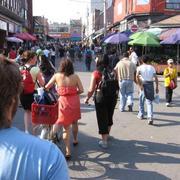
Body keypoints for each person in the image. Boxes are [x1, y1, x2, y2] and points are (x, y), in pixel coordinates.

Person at [0, 58, 69, 180]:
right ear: (12, 101)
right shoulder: (48, 156)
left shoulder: (24, 68)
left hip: (28, 96)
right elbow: (43, 85)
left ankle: (29, 130)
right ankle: (30, 131)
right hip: (34, 95)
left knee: (29, 112)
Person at [45, 58, 84, 159]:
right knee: (74, 122)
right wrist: (74, 93)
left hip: (63, 102)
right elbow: (81, 90)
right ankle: (75, 140)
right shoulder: (75, 76)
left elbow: (47, 87)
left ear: (61, 66)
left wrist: (57, 91)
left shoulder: (57, 76)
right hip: (74, 101)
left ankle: (68, 151)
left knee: (66, 127)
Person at [84, 55, 118, 149]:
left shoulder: (96, 73)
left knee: (102, 118)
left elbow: (91, 89)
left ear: (99, 61)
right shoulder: (114, 71)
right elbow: (117, 84)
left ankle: (104, 141)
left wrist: (87, 98)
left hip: (101, 98)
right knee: (109, 115)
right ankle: (107, 135)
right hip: (112, 97)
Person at [20, 51, 45, 134]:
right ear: (31, 59)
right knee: (35, 112)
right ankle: (34, 132)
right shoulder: (35, 69)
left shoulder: (20, 68)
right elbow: (42, 84)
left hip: (23, 94)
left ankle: (27, 130)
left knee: (27, 111)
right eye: (35, 58)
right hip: (33, 94)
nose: (36, 60)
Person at [136, 55, 159, 125]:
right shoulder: (152, 68)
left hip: (143, 84)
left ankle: (141, 114)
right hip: (150, 84)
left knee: (141, 100)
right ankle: (150, 117)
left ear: (142, 61)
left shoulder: (139, 67)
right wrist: (157, 87)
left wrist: (139, 85)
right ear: (148, 60)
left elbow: (137, 76)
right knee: (149, 102)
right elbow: (155, 78)